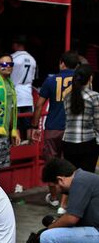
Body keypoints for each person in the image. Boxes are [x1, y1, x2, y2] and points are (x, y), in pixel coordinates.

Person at [40, 158, 99, 243]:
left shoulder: (80, 182)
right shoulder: (85, 178)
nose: (59, 192)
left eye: (54, 187)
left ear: (60, 179)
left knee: (48, 238)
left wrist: (50, 228)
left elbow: (71, 218)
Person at [32, 51, 80, 212]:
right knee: (70, 165)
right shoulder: (81, 80)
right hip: (73, 130)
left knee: (51, 164)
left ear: (61, 63)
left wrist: (34, 126)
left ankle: (53, 198)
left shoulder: (51, 80)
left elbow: (39, 105)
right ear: (77, 65)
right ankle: (64, 204)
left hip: (53, 127)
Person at [62, 64, 99, 173]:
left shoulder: (68, 96)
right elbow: (98, 123)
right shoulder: (94, 96)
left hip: (68, 142)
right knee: (86, 178)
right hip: (87, 143)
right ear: (90, 78)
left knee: (72, 177)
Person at [10, 35, 37, 139]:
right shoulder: (32, 59)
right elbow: (32, 79)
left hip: (15, 95)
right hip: (27, 96)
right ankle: (30, 147)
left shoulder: (12, 58)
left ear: (17, 44)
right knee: (28, 125)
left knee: (14, 125)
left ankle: (16, 148)